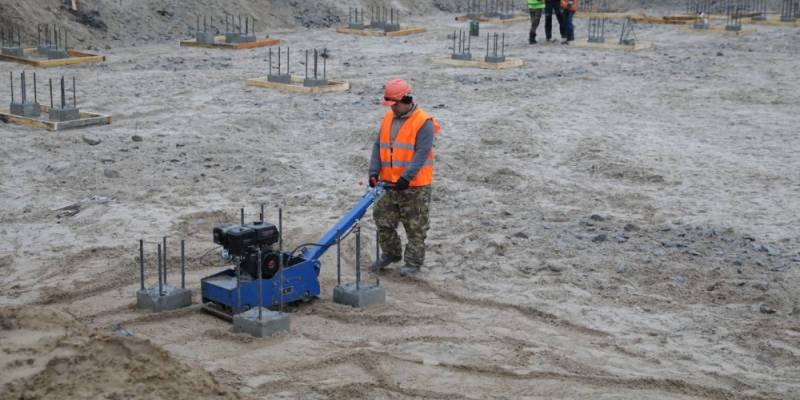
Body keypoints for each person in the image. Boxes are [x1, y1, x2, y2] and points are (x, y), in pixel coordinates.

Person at [368, 79, 441, 276]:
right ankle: (391, 254)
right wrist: (373, 171)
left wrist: (406, 177)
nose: (392, 109)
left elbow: (422, 153)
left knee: (415, 227)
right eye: (390, 105)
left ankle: (413, 263)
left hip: (415, 186)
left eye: (395, 104)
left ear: (406, 99)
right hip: (388, 183)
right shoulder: (388, 118)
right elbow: (378, 145)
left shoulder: (423, 122)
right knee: (383, 221)